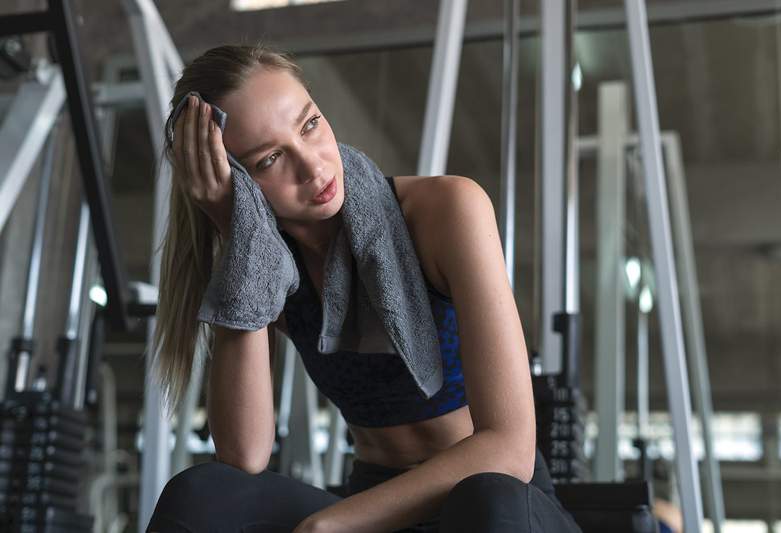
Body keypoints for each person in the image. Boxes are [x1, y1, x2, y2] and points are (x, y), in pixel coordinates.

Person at [147, 44, 581, 533]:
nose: (313, 167)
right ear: (237, 181)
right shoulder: (264, 265)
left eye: (310, 124)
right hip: (375, 501)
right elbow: (244, 455)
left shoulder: (448, 210)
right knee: (202, 494)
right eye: (270, 159)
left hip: (497, 506)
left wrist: (329, 525)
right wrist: (238, 232)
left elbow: (509, 448)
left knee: (488, 497)